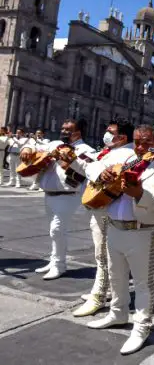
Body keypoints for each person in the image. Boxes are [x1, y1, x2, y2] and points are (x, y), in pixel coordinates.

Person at [85, 125, 154, 355]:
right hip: (114, 227)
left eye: (146, 142)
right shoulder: (127, 159)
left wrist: (139, 193)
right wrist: (103, 174)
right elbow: (93, 165)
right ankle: (117, 313)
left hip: (142, 232)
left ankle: (141, 327)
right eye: (137, 141)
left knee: (142, 283)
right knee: (115, 276)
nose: (140, 147)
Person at [72, 118, 136, 317]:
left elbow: (98, 171)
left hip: (108, 210)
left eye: (110, 131)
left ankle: (98, 296)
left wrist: (93, 169)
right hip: (102, 207)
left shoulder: (127, 154)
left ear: (122, 137)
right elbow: (92, 169)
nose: (106, 134)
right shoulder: (111, 152)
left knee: (103, 255)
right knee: (104, 255)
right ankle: (106, 290)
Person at [18, 119, 95, 280]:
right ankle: (53, 261)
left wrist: (71, 160)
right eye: (63, 128)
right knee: (54, 231)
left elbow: (88, 171)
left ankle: (60, 265)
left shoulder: (85, 149)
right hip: (49, 194)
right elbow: (36, 144)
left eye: (68, 129)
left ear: (78, 132)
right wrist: (27, 147)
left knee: (57, 230)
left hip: (68, 195)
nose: (63, 131)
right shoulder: (55, 144)